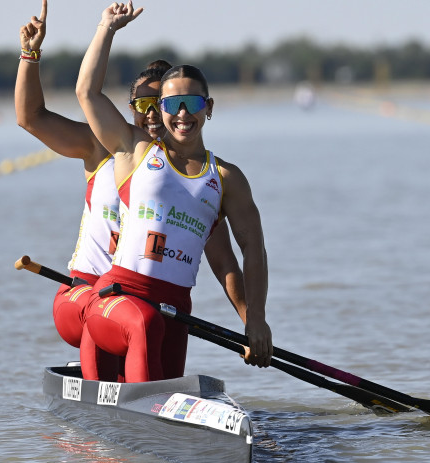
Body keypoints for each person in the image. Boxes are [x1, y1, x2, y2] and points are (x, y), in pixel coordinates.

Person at [16, 0, 250, 380]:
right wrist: (30, 53)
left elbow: (225, 263)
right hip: (88, 291)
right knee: (142, 322)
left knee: (152, 331)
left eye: (165, 104)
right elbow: (31, 117)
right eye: (144, 104)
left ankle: (145, 399)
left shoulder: (196, 185)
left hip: (154, 304)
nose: (155, 114)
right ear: (131, 108)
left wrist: (251, 325)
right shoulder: (107, 146)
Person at [76, 1, 273, 383]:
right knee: (146, 323)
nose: (182, 114)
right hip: (116, 301)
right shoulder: (135, 149)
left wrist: (256, 322)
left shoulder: (228, 179)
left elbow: (252, 250)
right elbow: (87, 92)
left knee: (157, 342)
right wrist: (107, 29)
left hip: (174, 309)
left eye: (193, 103)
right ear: (160, 109)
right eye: (171, 105)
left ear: (209, 108)